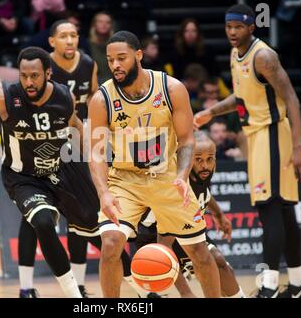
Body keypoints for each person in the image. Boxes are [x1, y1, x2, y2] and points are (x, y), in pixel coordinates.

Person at [88, 31, 221, 298]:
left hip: (167, 176)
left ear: (138, 55)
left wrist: (183, 176)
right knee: (111, 243)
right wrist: (103, 193)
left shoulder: (172, 89)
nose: (115, 65)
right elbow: (97, 153)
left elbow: (186, 140)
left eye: (121, 58)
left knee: (199, 252)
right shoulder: (102, 99)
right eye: (110, 59)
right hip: (125, 179)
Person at [14, 21, 142, 299]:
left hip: (81, 139)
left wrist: (100, 138)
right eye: (64, 36)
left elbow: (97, 97)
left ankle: (81, 284)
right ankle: (25, 286)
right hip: (45, 142)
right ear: (52, 42)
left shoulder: (88, 63)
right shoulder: (40, 70)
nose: (70, 40)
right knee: (35, 217)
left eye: (74, 35)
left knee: (85, 215)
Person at [194, 4, 301, 298]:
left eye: (238, 27)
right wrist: (212, 112)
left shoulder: (264, 57)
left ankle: (270, 286)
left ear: (251, 27)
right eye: (228, 27)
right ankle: (298, 285)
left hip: (273, 134)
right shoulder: (237, 55)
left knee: (270, 208)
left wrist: (298, 147)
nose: (232, 32)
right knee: (283, 211)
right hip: (258, 135)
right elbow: (242, 96)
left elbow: (292, 98)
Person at [0, 46, 94, 298]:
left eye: (34, 76)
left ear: (48, 74)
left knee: (93, 227)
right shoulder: (5, 96)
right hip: (23, 177)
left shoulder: (64, 97)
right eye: (23, 76)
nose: (28, 82)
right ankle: (74, 295)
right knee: (41, 222)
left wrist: (94, 161)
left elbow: (75, 125)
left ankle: (141, 290)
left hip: (58, 172)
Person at [136, 131, 246, 298]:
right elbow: (164, 245)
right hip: (155, 240)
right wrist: (185, 292)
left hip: (184, 232)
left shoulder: (200, 178)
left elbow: (205, 195)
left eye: (210, 159)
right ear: (187, 161)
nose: (205, 165)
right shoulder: (176, 190)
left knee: (223, 266)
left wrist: (219, 215)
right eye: (198, 160)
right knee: (215, 261)